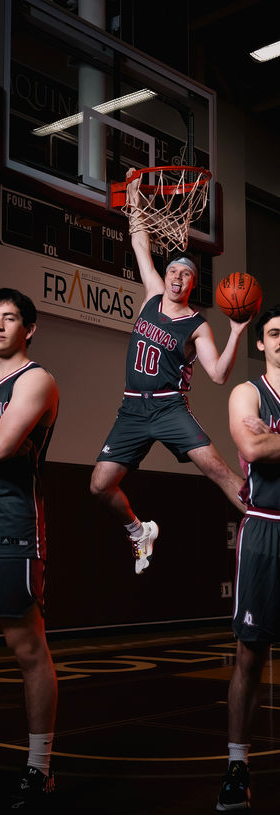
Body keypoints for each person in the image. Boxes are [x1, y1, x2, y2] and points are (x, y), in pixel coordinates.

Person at [90, 167, 250, 575]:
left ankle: (270, 522)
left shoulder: (197, 325)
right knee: (99, 485)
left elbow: (218, 375)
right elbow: (139, 240)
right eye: (174, 271)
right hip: (131, 409)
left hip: (168, 407)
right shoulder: (153, 294)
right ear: (166, 276)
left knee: (218, 470)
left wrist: (235, 333)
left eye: (186, 274)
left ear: (193, 284)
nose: (178, 277)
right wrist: (133, 195)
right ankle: (139, 530)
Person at [0, 288, 59, 808]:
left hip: (10, 524)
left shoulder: (36, 380)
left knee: (27, 648)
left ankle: (39, 769)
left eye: (9, 317)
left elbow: (1, 446)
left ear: (29, 329)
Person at [216, 304, 280, 811]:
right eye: (275, 333)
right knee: (249, 655)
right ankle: (237, 766)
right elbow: (253, 450)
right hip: (266, 529)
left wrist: (271, 436)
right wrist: (263, 442)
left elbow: (265, 442)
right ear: (261, 342)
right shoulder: (247, 392)